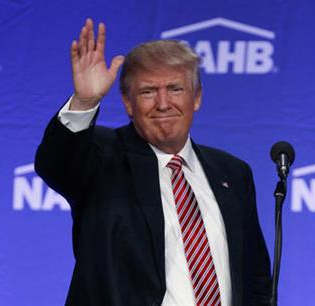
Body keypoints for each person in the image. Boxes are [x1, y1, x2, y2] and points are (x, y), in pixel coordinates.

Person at [35, 18, 271, 306]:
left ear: (196, 97)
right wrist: (84, 102)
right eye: (147, 91)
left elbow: (255, 278)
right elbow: (56, 163)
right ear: (127, 103)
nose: (163, 103)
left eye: (175, 89)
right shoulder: (103, 157)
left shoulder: (233, 173)